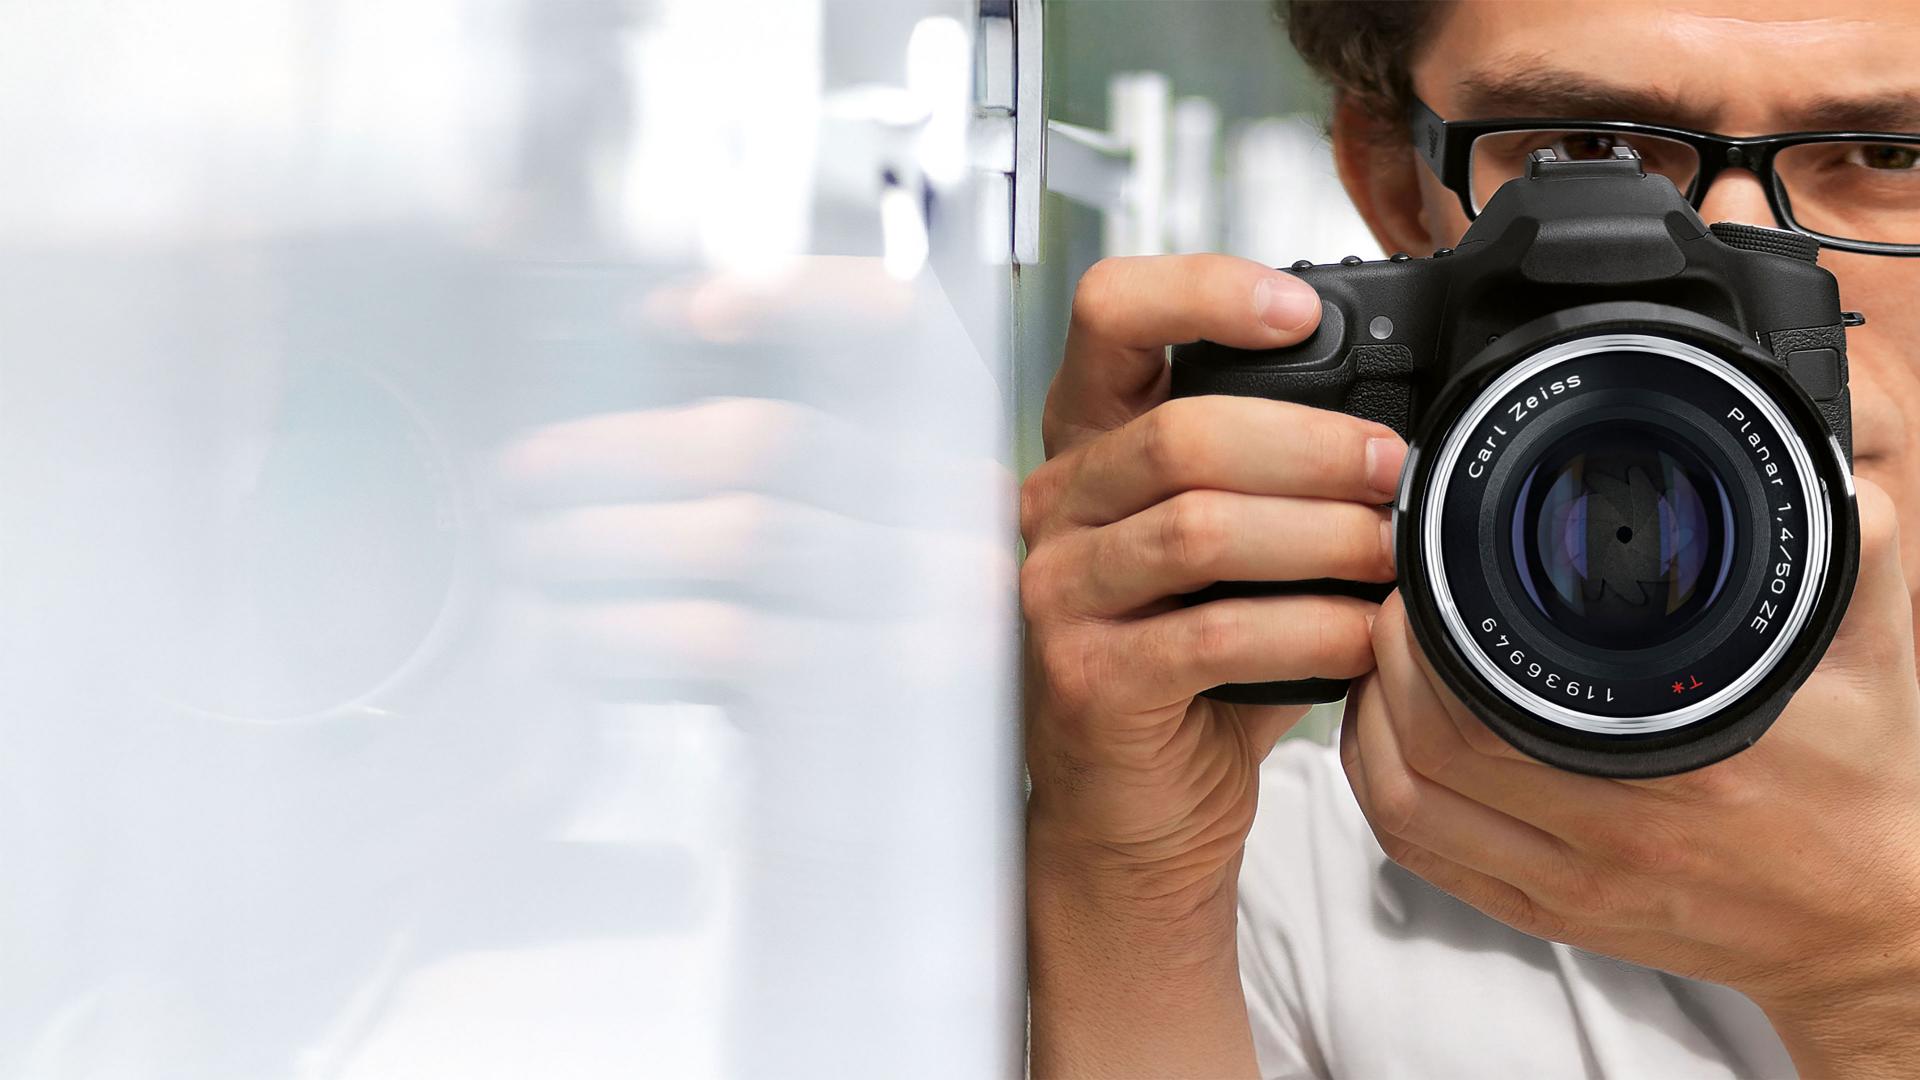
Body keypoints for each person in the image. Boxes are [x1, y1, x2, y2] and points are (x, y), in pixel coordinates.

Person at [1019, 1, 1920, 1076]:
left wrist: (1877, 978)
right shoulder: (1265, 871)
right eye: (1586, 147)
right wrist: (1134, 876)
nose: (1733, 250)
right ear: (1392, 181)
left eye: (1888, 155)